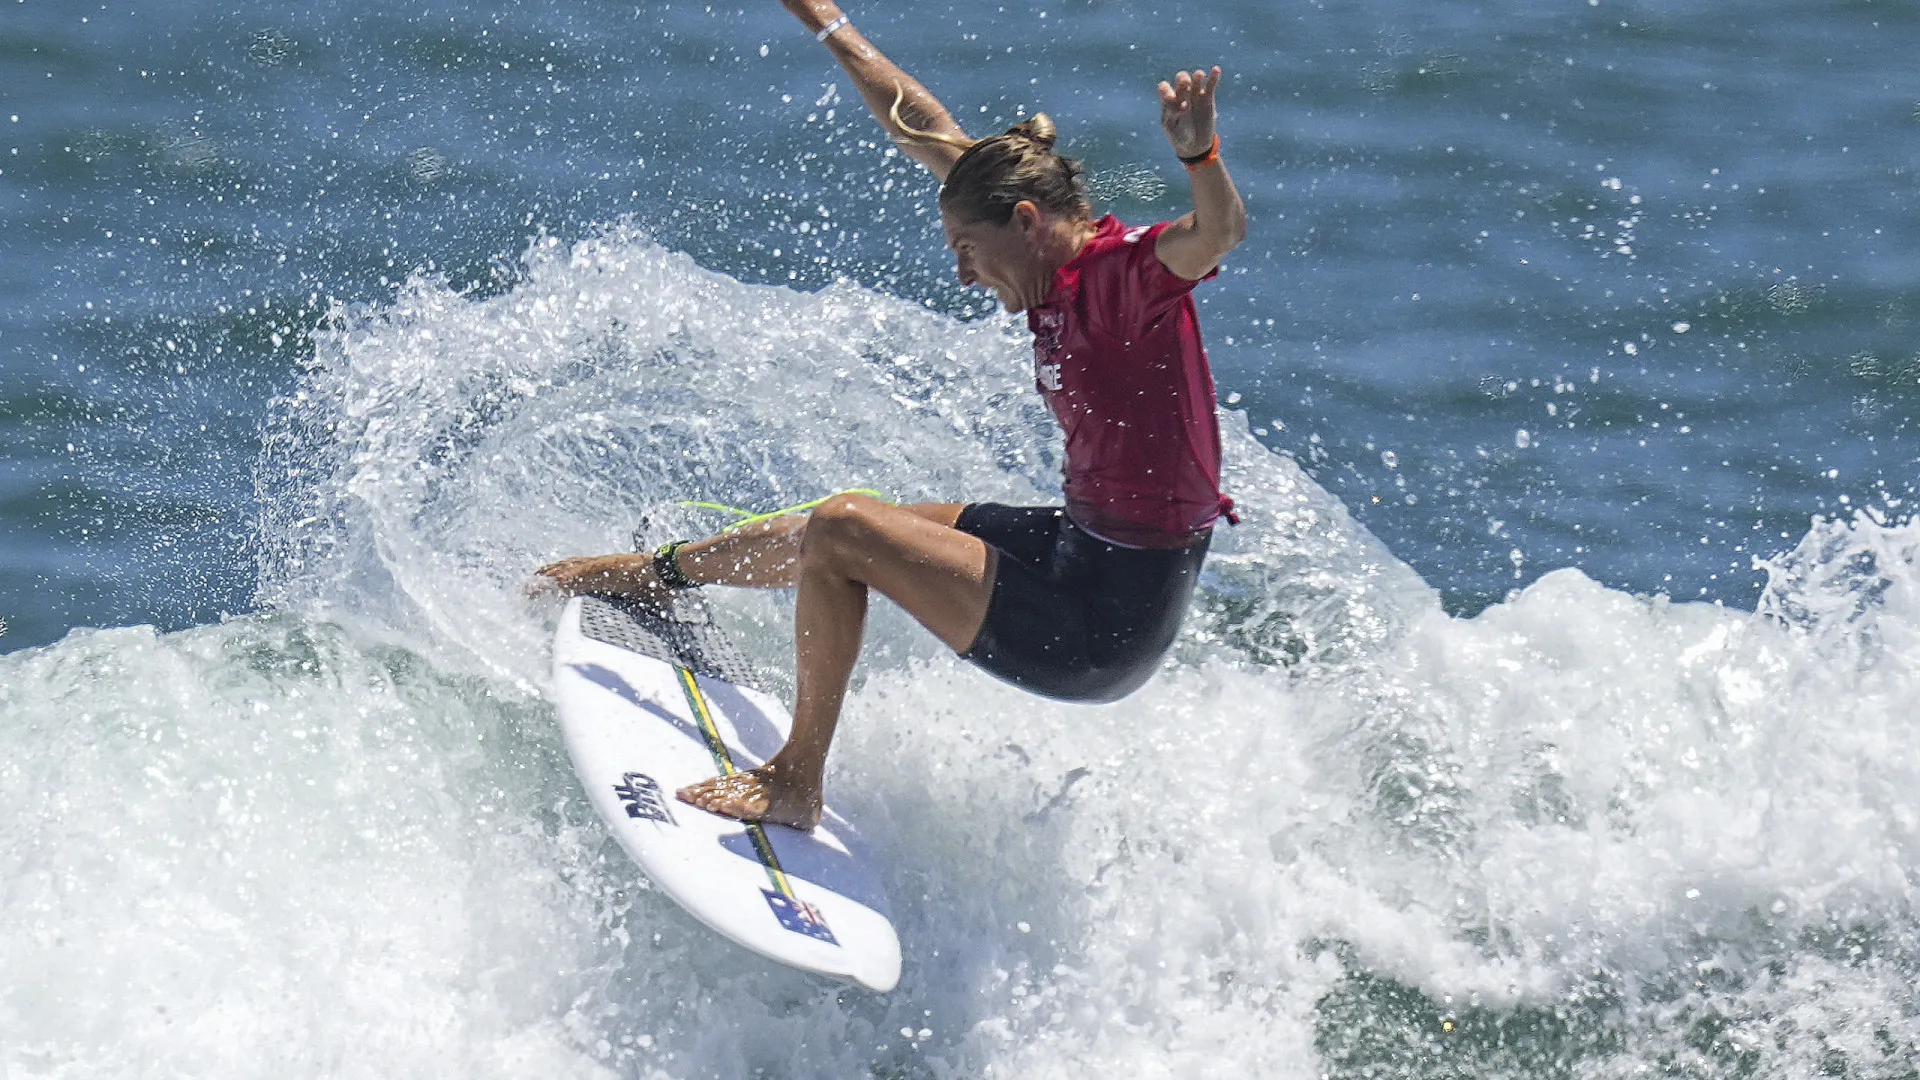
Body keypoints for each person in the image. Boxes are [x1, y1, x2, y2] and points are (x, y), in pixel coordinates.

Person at [536, 0, 1247, 830]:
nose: (962, 274)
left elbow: (1219, 231)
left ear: (1026, 222)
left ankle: (795, 780)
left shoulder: (1127, 278)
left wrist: (1199, 153)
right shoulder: (1031, 247)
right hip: (1077, 548)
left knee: (847, 528)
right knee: (845, 525)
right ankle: (657, 577)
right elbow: (921, 125)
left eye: (966, 249)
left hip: (1101, 628)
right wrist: (826, 20)